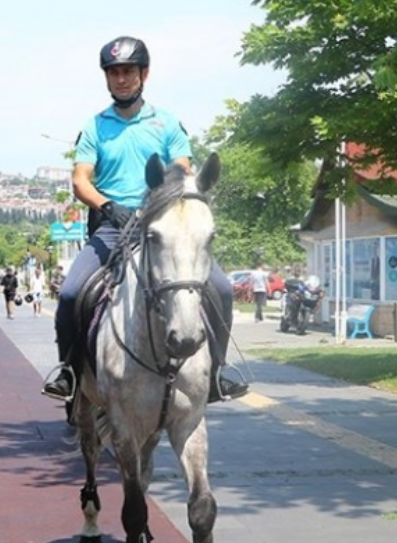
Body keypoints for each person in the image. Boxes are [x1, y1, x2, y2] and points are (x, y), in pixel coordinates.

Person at [41, 36, 248, 403]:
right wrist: (108, 207)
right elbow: (80, 180)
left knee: (221, 288)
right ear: (107, 77)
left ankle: (218, 370)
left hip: (163, 224)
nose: (121, 79)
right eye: (114, 72)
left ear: (144, 74)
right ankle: (69, 372)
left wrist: (155, 204)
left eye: (128, 72)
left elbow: (182, 169)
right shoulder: (94, 127)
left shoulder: (166, 123)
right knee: (72, 293)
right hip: (111, 227)